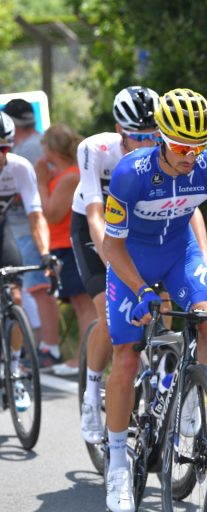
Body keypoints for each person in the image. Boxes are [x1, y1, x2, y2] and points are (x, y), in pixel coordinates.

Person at [101, 87, 207, 512]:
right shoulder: (130, 173)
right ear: (160, 136)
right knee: (125, 355)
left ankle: (189, 393)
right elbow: (112, 246)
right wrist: (141, 290)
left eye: (199, 146)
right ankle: (118, 461)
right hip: (132, 260)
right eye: (181, 146)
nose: (190, 155)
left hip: (180, 253)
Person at [74, 85, 207, 445]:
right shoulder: (95, 150)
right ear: (120, 131)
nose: (146, 141)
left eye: (153, 134)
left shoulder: (166, 157)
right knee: (107, 311)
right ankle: (91, 393)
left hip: (143, 226)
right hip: (96, 225)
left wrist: (205, 264)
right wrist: (115, 271)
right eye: (138, 136)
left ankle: (164, 371)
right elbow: (94, 214)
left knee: (164, 300)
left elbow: (189, 207)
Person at [0, 112, 55, 410]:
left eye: (5, 148)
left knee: (16, 297)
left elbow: (36, 217)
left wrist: (45, 254)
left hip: (3, 230)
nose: (2, 156)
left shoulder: (19, 168)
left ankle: (14, 370)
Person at [35, 125, 98, 376]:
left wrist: (40, 182)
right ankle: (85, 355)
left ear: (51, 149)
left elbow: (51, 213)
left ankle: (84, 358)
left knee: (84, 304)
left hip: (70, 246)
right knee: (78, 302)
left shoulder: (71, 176)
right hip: (60, 246)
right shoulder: (62, 176)